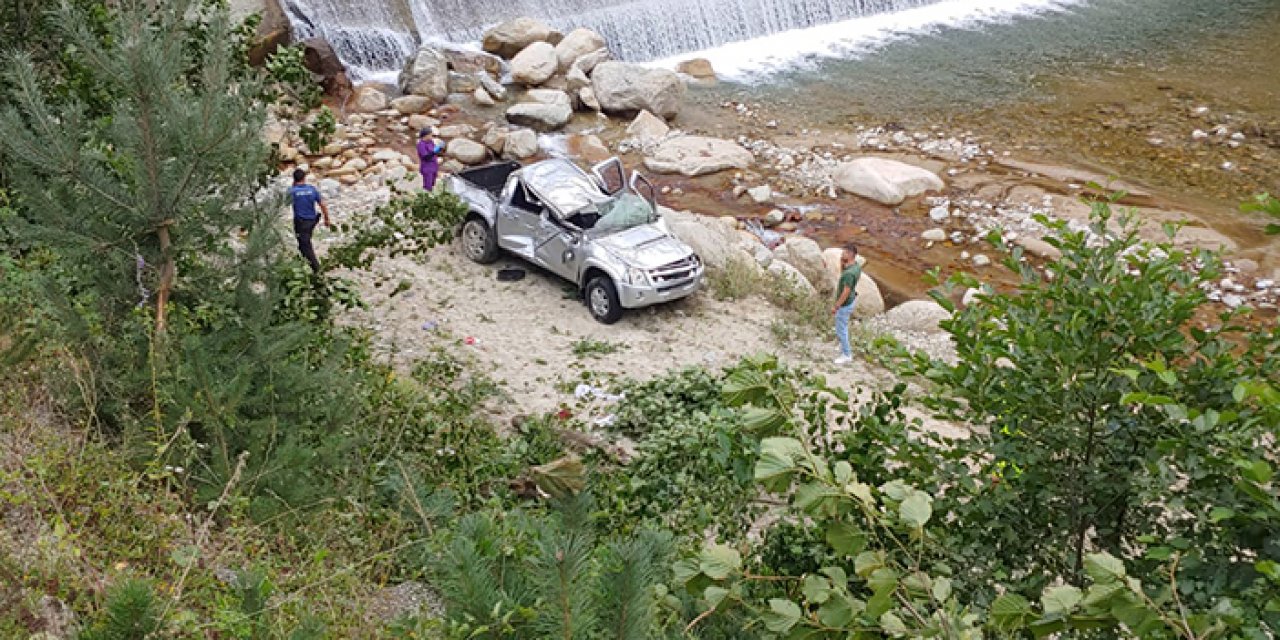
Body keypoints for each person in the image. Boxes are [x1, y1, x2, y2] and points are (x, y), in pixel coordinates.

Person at [288, 168, 331, 272]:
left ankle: (317, 270)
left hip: (301, 222)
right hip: (312, 220)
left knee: (305, 245)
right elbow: (322, 204)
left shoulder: (292, 191)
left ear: (294, 179)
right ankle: (307, 266)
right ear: (304, 178)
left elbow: (284, 203)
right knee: (303, 243)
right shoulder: (311, 189)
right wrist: (326, 219)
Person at [831, 245, 862, 365]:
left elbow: (846, 291)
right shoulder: (856, 267)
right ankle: (843, 346)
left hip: (845, 303)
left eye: (844, 253)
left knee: (841, 329)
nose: (841, 255)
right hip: (851, 300)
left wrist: (836, 306)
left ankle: (846, 354)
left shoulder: (849, 274)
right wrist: (841, 262)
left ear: (850, 254)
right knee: (842, 327)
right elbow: (842, 275)